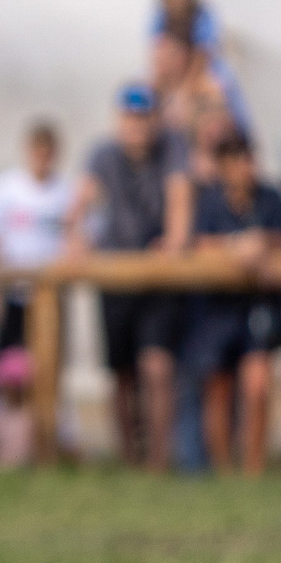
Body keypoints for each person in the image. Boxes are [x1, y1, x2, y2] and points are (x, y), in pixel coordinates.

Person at [84, 83, 188, 470]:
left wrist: (175, 242)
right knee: (121, 373)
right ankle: (130, 459)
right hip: (116, 278)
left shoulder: (173, 148)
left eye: (144, 118)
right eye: (130, 118)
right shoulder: (103, 153)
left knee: (157, 368)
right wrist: (76, 241)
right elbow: (81, 202)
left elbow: (180, 198)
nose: (137, 126)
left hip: (158, 278)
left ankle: (159, 460)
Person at [181, 128, 281, 476]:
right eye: (237, 160)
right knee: (218, 389)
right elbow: (197, 244)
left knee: (258, 385)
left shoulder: (270, 198)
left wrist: (261, 243)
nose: (246, 167)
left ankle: (254, 469)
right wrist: (236, 246)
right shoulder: (209, 201)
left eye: (248, 158)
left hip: (257, 304)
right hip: (216, 308)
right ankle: (224, 469)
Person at [0, 121, 82, 354]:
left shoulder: (67, 191)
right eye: (38, 151)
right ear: (28, 151)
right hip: (10, 291)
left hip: (50, 292)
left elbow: (82, 232)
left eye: (48, 153)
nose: (42, 158)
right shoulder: (5, 187)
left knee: (47, 358)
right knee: (8, 362)